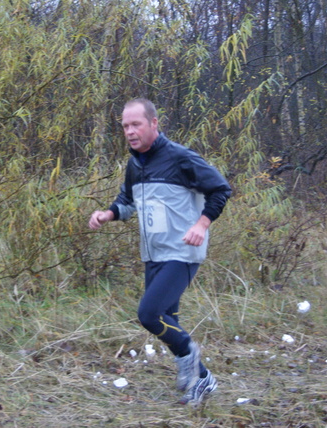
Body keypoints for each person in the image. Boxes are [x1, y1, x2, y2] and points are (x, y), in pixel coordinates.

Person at [88, 98, 232, 405]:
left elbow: (220, 189)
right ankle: (202, 379)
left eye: (136, 124)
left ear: (154, 123)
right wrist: (107, 214)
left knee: (149, 315)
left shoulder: (180, 158)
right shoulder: (135, 164)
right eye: (125, 126)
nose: (129, 131)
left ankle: (192, 360)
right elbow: (126, 201)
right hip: (152, 253)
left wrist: (202, 224)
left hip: (182, 251)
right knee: (168, 318)